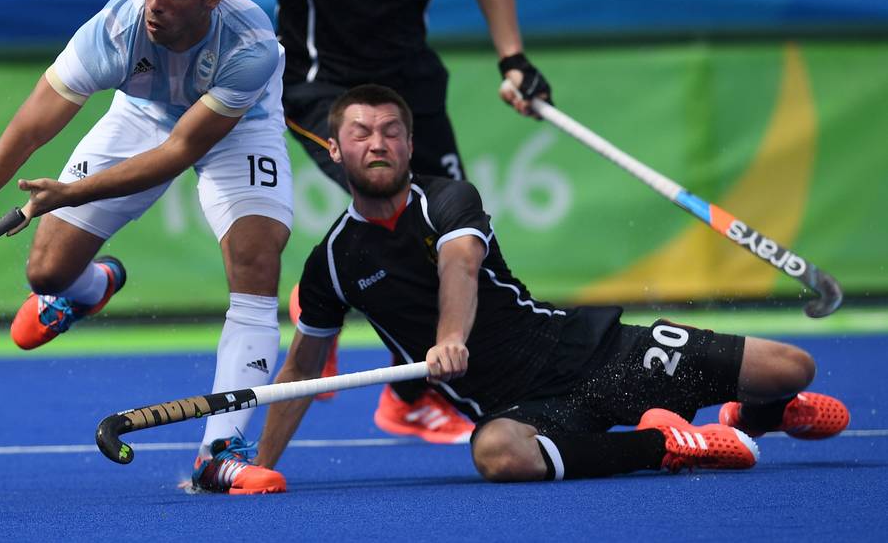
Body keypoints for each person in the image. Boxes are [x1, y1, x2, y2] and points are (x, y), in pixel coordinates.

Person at [252, 84, 849, 484]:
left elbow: (458, 266)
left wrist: (450, 337)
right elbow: (300, 373)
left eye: (390, 132)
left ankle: (752, 417)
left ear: (409, 145)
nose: (377, 143)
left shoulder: (447, 199)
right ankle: (665, 445)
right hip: (522, 409)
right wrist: (261, 466)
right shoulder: (333, 260)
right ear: (334, 150)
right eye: (360, 133)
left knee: (791, 368)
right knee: (495, 453)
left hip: (585, 350)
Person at [178, 0, 552, 443]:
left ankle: (405, 397)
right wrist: (212, 20)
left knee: (453, 236)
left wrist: (512, 57)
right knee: (397, 221)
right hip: (318, 85)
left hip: (412, 85)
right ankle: (318, 303)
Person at [0, 0, 291, 495]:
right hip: (140, 116)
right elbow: (21, 137)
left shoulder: (250, 45)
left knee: (257, 259)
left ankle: (220, 452)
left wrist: (69, 193)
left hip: (236, 130)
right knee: (46, 271)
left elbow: (180, 152)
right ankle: (90, 288)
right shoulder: (114, 28)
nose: (155, 2)